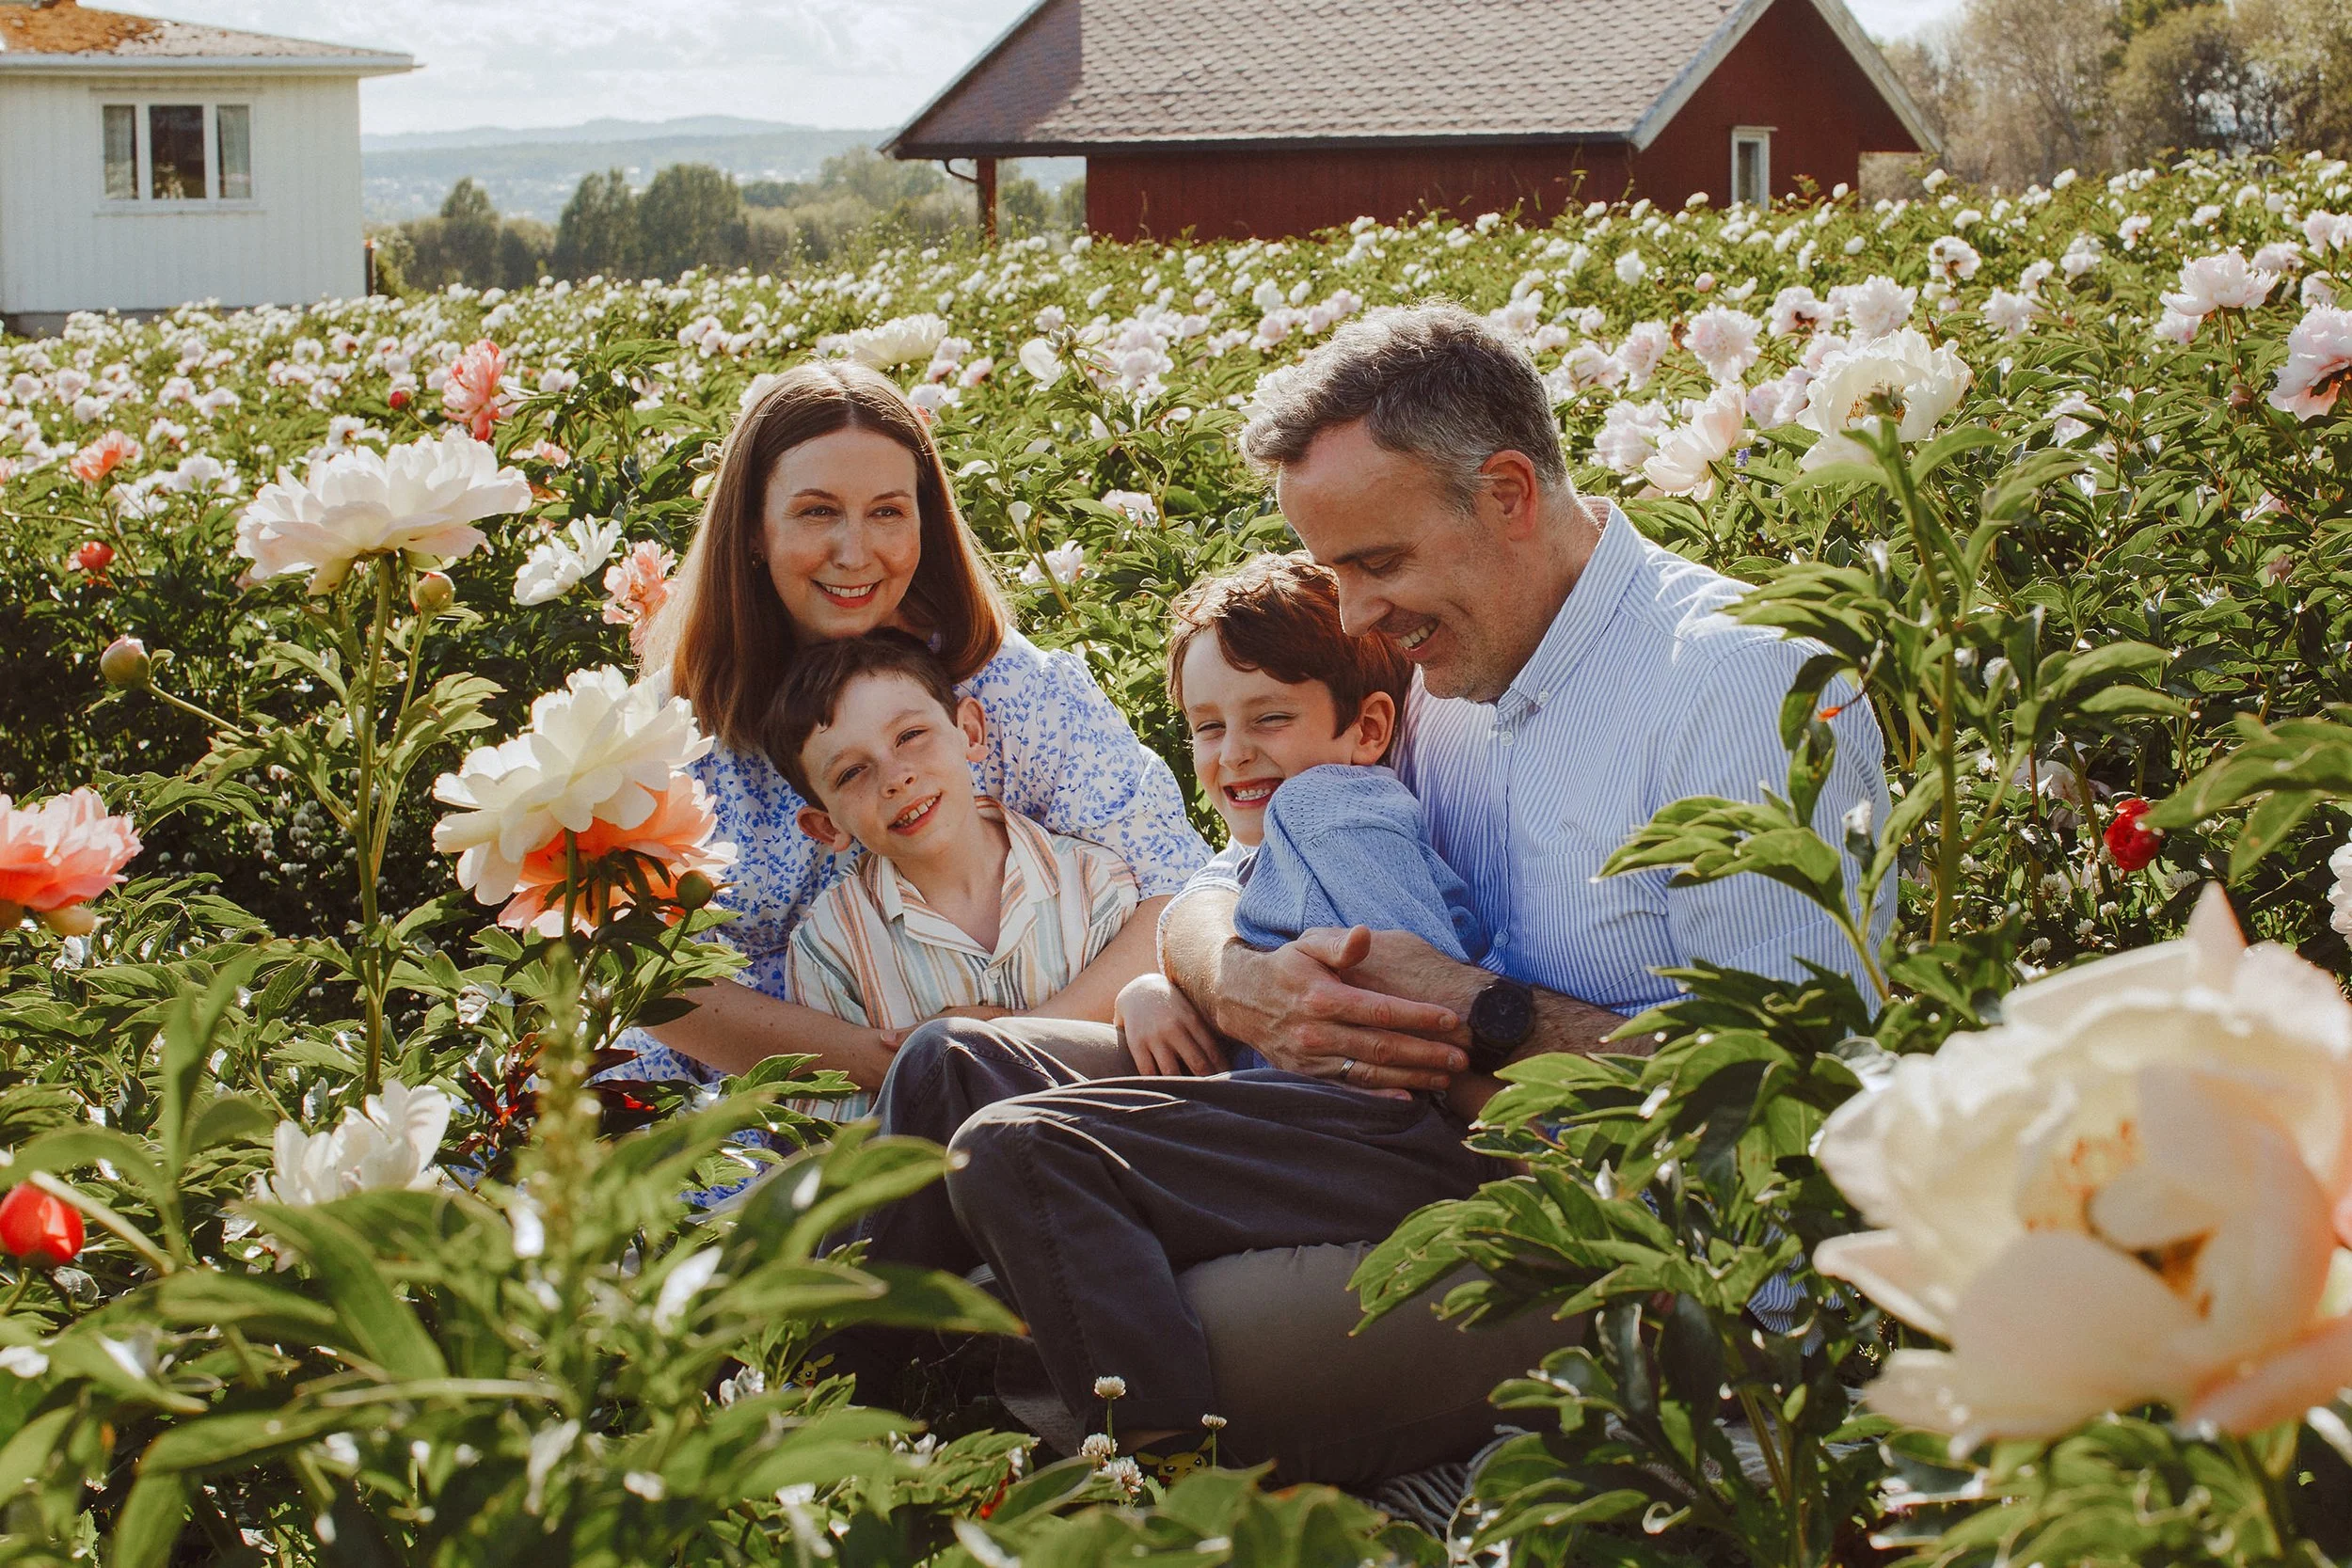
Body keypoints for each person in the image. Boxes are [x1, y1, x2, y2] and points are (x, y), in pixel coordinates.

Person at [858, 304, 1892, 1484]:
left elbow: (1789, 1105)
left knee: (1156, 1310)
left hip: (1613, 1232)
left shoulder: (1738, 688)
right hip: (1351, 1113)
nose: (1352, 615)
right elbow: (1234, 865)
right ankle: (813, 1411)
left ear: (1506, 494)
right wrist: (1230, 975)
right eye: (1336, 570)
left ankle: (1140, 1477)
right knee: (953, 1068)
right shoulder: (1445, 657)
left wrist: (1473, 1008)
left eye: (1375, 563)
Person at [615, 361, 1206, 1093]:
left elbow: (1174, 887)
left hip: (1029, 1083)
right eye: (818, 512)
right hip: (735, 1095)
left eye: (888, 511)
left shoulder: (1010, 689)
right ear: (754, 531)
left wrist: (1004, 1050)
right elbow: (638, 965)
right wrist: (881, 1063)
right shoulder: (669, 734)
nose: (855, 551)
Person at [1114, 551, 1481, 1077]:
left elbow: (1420, 1007)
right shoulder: (1274, 835)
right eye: (1209, 727)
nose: (1233, 754)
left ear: (1369, 729)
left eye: (1271, 718)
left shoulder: (1324, 807)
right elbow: (1211, 892)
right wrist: (1150, 991)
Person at [764, 630, 1141, 1118]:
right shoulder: (830, 948)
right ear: (826, 825)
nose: (896, 778)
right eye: (851, 773)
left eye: (910, 736)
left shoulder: (1094, 881)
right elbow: (840, 1138)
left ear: (970, 731)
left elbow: (1148, 1066)